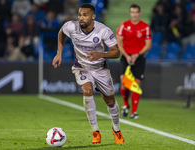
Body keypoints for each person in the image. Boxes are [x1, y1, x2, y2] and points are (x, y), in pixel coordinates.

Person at [52, 3, 125, 144]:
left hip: (100, 69)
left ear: (93, 16)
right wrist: (59, 53)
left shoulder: (103, 31)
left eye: (85, 15)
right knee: (87, 91)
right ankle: (95, 131)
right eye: (79, 14)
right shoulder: (71, 27)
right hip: (82, 67)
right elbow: (61, 32)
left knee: (110, 101)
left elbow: (116, 52)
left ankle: (116, 130)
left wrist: (101, 54)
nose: (81, 18)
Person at [116, 4, 152, 119]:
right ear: (130, 13)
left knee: (136, 83)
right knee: (124, 82)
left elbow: (148, 45)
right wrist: (126, 56)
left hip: (139, 57)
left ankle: (134, 112)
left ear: (140, 13)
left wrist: (137, 54)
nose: (134, 14)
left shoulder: (145, 27)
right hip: (126, 57)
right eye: (132, 12)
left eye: (136, 12)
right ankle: (126, 104)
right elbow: (118, 43)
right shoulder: (124, 26)